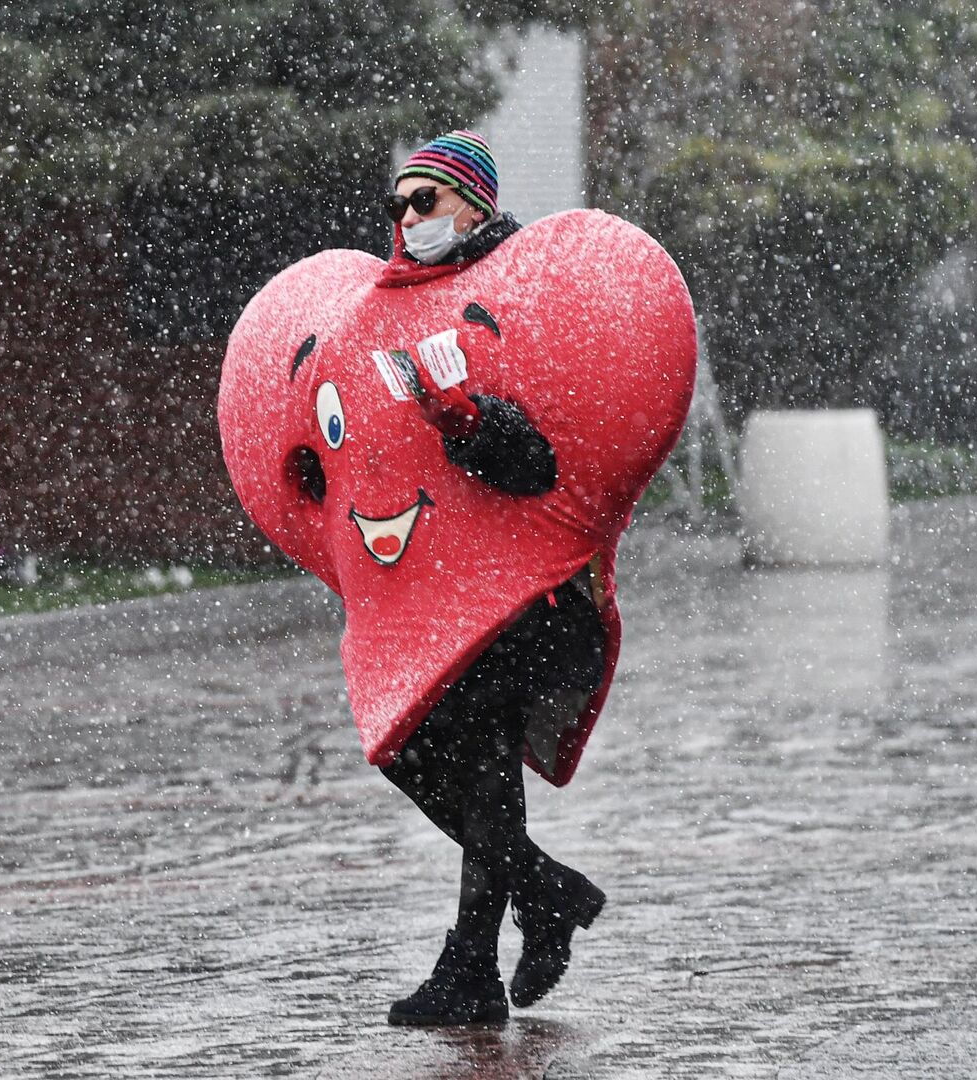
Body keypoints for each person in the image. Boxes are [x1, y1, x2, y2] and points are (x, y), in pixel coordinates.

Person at [373, 131, 609, 1027]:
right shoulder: (393, 305)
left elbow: (546, 463)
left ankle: (474, 962)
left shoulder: (518, 292)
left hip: (535, 597)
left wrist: (471, 422)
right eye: (396, 206)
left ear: (473, 203)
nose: (406, 221)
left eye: (423, 202)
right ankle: (542, 897)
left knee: (472, 747)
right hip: (443, 593)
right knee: (412, 746)